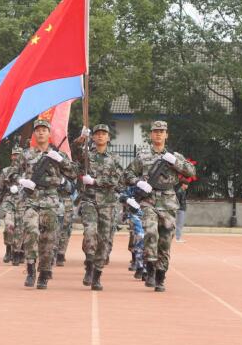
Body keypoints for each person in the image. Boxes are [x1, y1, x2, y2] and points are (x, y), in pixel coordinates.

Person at [124, 120, 196, 292]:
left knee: (165, 241)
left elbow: (192, 172)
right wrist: (139, 183)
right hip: (148, 201)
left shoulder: (175, 156)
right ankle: (149, 268)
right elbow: (127, 174)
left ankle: (160, 275)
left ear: (166, 135)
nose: (158, 134)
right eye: (155, 131)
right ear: (151, 134)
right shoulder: (142, 156)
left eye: (161, 131)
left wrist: (175, 163)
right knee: (150, 232)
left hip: (169, 203)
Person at [12, 119, 76, 289]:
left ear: (49, 134)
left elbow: (74, 173)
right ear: (34, 134)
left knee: (48, 240)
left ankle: (44, 273)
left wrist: (61, 161)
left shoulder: (58, 155)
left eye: (44, 130)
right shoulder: (26, 154)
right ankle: (31, 269)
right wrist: (22, 181)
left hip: (51, 201)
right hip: (31, 200)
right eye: (38, 130)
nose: (41, 132)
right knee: (31, 232)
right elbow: (12, 173)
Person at [72, 123, 123, 291]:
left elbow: (117, 180)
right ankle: (89, 264)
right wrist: (80, 140)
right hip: (89, 201)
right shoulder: (86, 155)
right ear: (93, 137)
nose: (100, 136)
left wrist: (95, 181)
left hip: (108, 203)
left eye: (104, 133)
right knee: (89, 232)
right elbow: (74, 154)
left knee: (105, 240)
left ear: (108, 137)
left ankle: (97, 273)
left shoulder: (114, 158)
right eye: (97, 134)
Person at [0, 148, 23, 263]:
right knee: (9, 226)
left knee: (22, 229)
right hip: (9, 201)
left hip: (24, 202)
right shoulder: (6, 171)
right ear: (11, 157)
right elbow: (0, 188)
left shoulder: (27, 171)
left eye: (19, 155)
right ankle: (9, 249)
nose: (16, 157)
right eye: (14, 155)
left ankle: (19, 252)